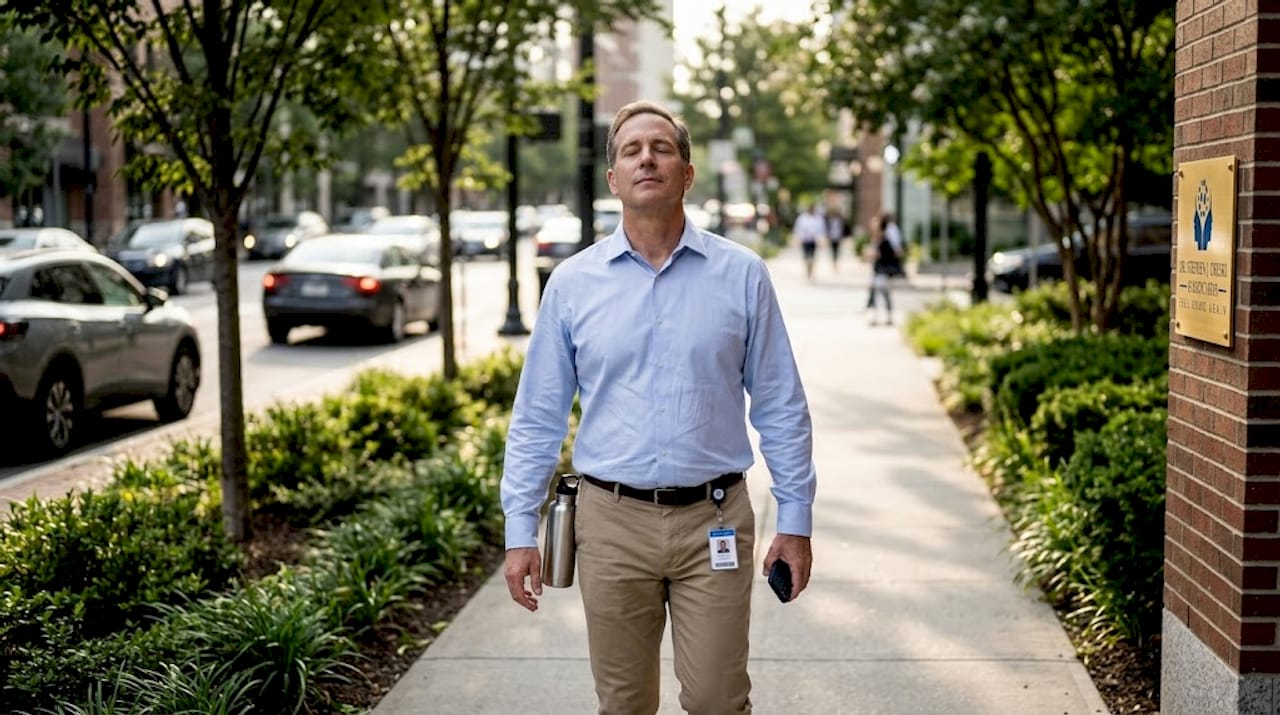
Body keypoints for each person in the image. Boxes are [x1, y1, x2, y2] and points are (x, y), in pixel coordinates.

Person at [501, 100, 817, 715]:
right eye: (631, 150)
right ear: (614, 178)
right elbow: (537, 417)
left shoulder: (742, 275)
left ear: (687, 173)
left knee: (718, 701)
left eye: (662, 147)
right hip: (610, 523)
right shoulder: (572, 283)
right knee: (623, 704)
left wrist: (796, 519)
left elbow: (780, 403)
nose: (647, 157)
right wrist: (520, 531)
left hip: (715, 520)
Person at [867, 212, 905, 325]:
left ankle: (878, 316)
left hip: (882, 270)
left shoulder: (884, 240)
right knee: (883, 293)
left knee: (878, 293)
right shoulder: (881, 238)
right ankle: (886, 316)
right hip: (880, 270)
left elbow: (892, 253)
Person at [792, 203, 824, 280]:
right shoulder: (802, 218)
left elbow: (821, 229)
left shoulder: (818, 218)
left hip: (814, 241)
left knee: (812, 257)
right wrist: (797, 238)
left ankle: (811, 271)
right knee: (806, 257)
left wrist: (821, 239)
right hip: (805, 240)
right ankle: (807, 271)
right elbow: (798, 229)